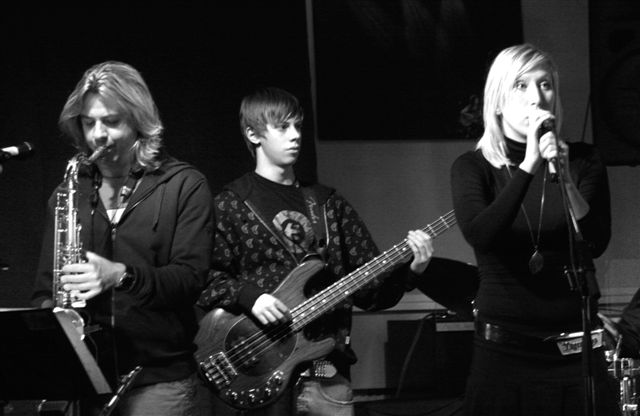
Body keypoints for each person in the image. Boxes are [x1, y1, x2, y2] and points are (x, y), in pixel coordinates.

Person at [196, 86, 434, 416]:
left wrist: (412, 272)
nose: (295, 135)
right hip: (258, 373)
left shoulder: (328, 205)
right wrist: (252, 297)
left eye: (298, 126)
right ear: (253, 134)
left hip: (326, 377)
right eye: (283, 127)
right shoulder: (231, 204)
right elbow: (203, 279)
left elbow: (370, 293)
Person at [31, 61, 213, 416]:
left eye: (111, 121)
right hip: (85, 382)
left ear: (138, 121)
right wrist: (54, 315)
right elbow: (43, 289)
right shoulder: (68, 194)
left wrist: (121, 276)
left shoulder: (184, 185)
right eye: (89, 123)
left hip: (157, 381)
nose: (98, 135)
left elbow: (190, 280)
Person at [450, 44, 619, 415]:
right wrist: (529, 164)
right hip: (505, 352)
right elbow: (481, 235)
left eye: (545, 84)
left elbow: (596, 241)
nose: (536, 97)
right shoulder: (473, 167)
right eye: (521, 85)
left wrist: (565, 178)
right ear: (497, 101)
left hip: (576, 349)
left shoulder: (583, 160)